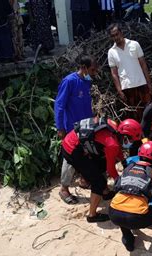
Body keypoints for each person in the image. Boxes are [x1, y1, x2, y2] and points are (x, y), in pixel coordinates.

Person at [61, 117, 143, 223]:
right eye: (132, 140)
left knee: (102, 164)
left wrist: (123, 161)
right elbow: (111, 168)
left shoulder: (114, 128)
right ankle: (92, 215)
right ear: (126, 137)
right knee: (99, 182)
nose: (132, 143)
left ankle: (104, 192)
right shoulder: (112, 144)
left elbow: (116, 148)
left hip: (74, 142)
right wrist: (120, 182)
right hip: (72, 150)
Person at [109, 141, 152, 256]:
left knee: (122, 206)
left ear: (139, 154)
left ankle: (128, 240)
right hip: (136, 218)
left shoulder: (127, 168)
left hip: (113, 213)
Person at [55, 55, 98, 205]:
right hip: (71, 127)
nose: (94, 72)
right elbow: (59, 105)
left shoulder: (87, 82)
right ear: (84, 68)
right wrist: (60, 127)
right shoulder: (69, 81)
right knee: (70, 158)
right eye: (92, 69)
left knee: (87, 153)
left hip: (86, 125)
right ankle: (64, 188)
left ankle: (84, 180)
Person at [107, 23, 152, 121]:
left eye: (117, 34)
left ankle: (148, 135)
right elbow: (114, 74)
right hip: (127, 87)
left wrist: (149, 83)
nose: (116, 37)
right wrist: (119, 90)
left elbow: (143, 65)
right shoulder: (111, 52)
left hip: (141, 84)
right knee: (133, 115)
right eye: (113, 36)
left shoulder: (134, 44)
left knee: (148, 112)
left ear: (121, 33)